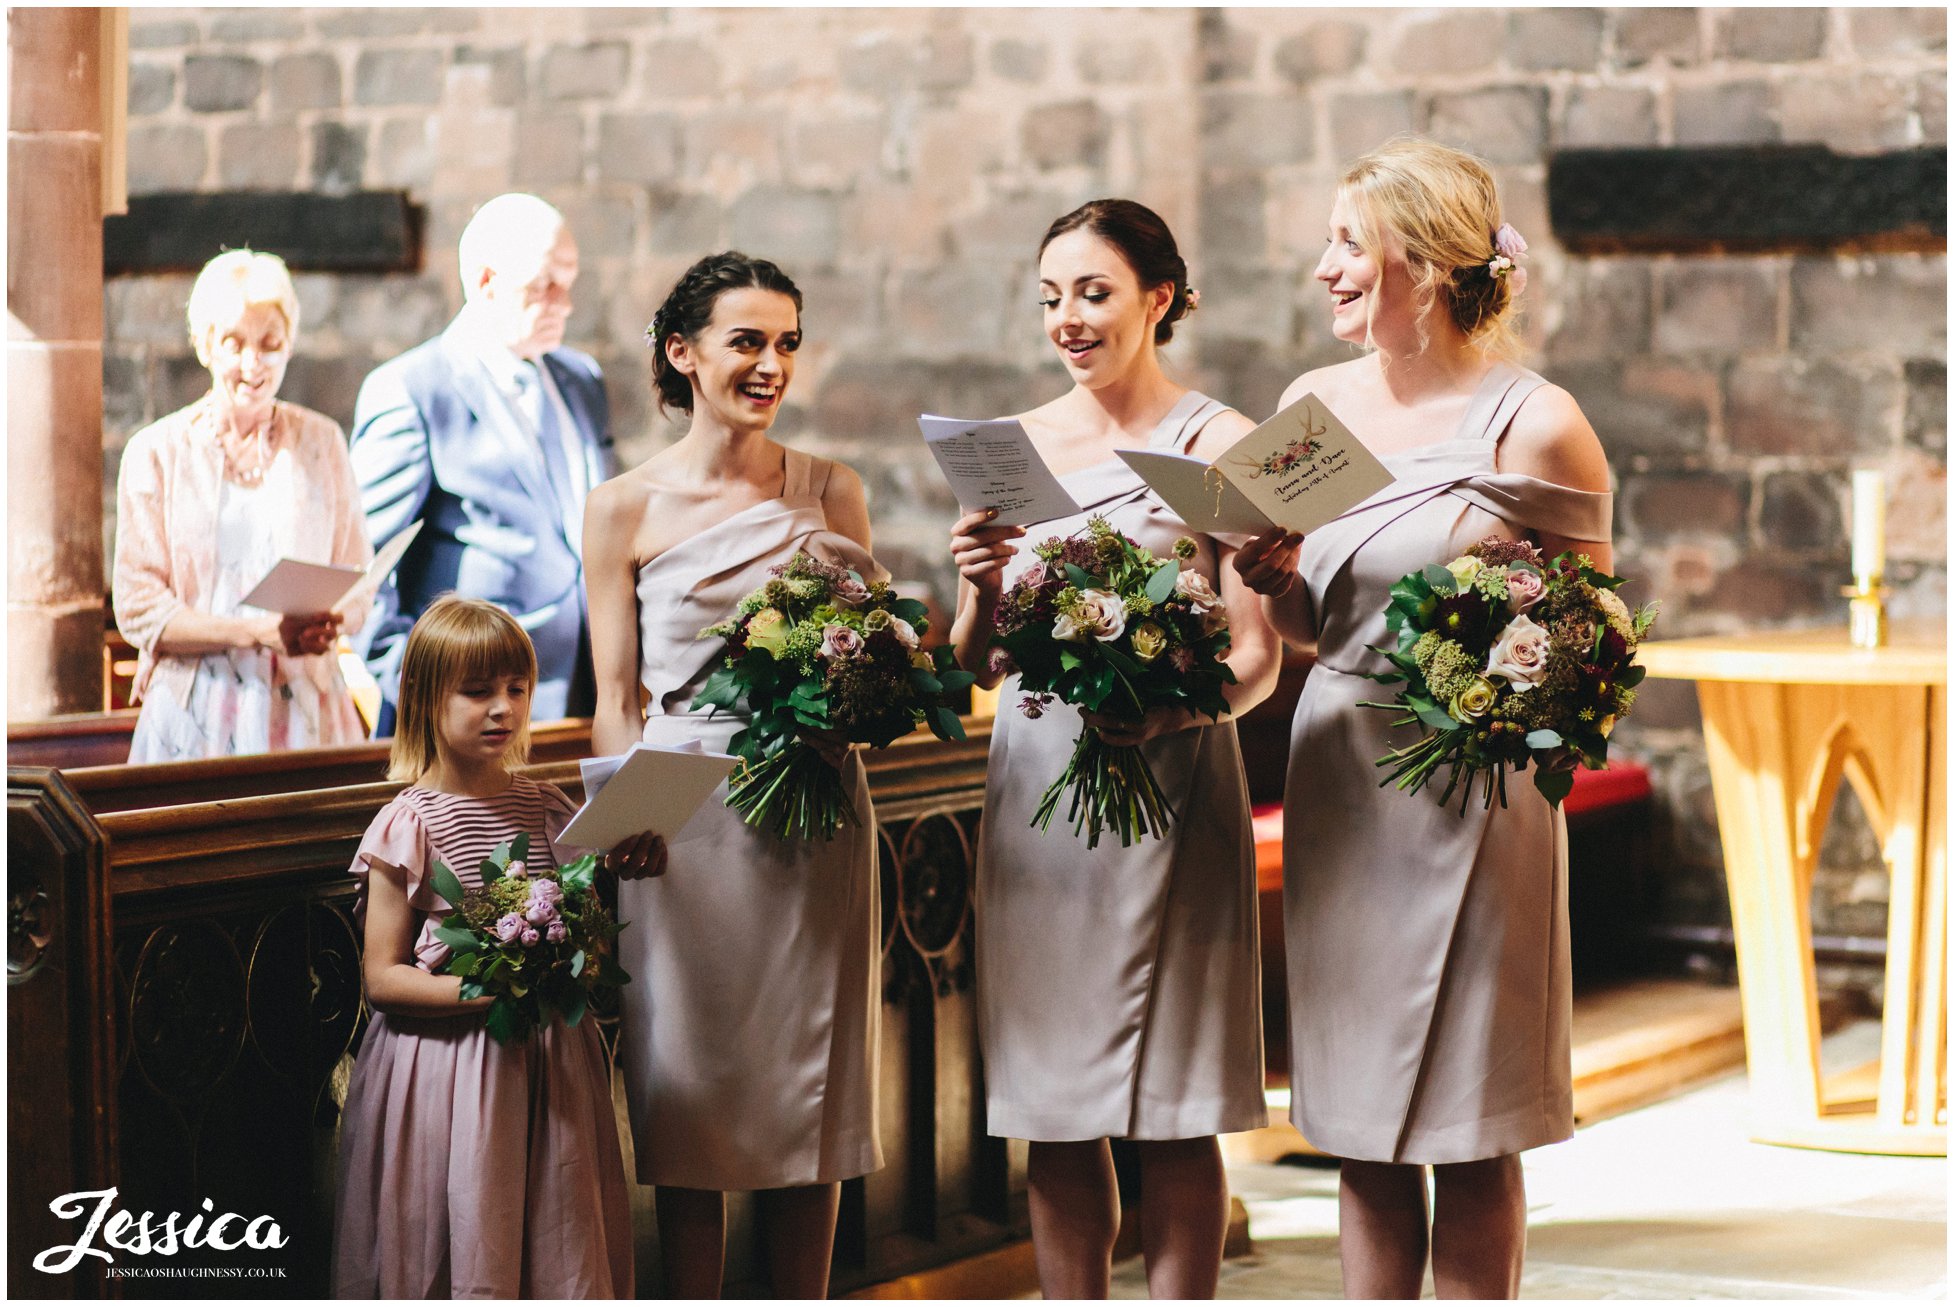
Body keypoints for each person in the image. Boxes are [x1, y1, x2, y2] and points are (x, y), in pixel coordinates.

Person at [1231, 137, 1614, 1300]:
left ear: (1430, 265)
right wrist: (1269, 570)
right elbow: (1304, 626)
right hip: (1343, 777)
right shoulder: (1308, 408)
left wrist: (1503, 669)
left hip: (1476, 794)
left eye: (1348, 243)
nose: (1323, 267)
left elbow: (1594, 645)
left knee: (1468, 1116)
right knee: (1358, 1114)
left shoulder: (1531, 422)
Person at [946, 199, 1283, 1299]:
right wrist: (975, 584)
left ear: (1159, 298)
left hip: (1171, 786)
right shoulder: (1013, 446)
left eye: (1092, 293)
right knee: (1055, 1097)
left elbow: (1256, 654)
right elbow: (978, 663)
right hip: (1040, 790)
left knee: (1175, 1102)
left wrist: (1169, 712)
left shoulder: (1219, 442)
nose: (1068, 320)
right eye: (1051, 297)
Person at [582, 252, 880, 1298]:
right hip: (680, 815)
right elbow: (618, 692)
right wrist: (625, 818)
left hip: (811, 805)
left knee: (809, 1081)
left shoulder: (831, 487)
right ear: (684, 351)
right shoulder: (621, 506)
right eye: (746, 340)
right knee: (689, 1089)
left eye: (786, 342)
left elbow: (868, 658)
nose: (770, 364)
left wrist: (867, 677)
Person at [330, 594, 659, 1299]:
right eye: (477, 691)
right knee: (459, 1223)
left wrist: (607, 897)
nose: (503, 708)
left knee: (554, 1226)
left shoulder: (547, 809)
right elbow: (382, 978)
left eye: (516, 689)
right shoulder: (407, 823)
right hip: (444, 1073)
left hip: (548, 1066)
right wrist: (492, 987)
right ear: (420, 694)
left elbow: (584, 928)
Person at [350, 193, 616, 734]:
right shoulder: (412, 389)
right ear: (486, 280)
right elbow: (362, 565)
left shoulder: (580, 379)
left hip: (583, 696)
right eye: (545, 285)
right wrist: (423, 688)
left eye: (570, 281)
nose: (564, 304)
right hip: (467, 711)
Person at [112, 248, 370, 763]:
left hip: (307, 704)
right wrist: (259, 633)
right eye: (235, 343)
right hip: (196, 708)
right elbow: (138, 607)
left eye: (270, 344)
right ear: (206, 345)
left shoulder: (322, 441)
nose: (253, 364)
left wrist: (332, 620)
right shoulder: (157, 451)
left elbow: (357, 581)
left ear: (289, 345)